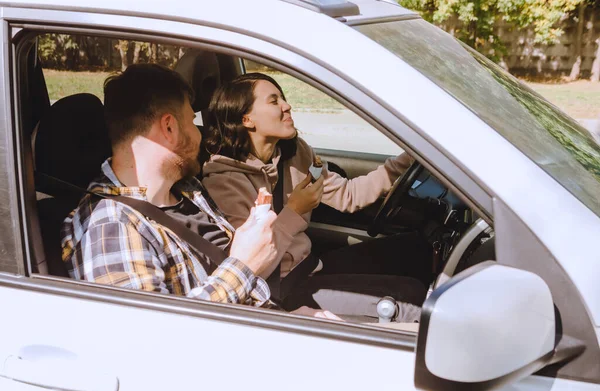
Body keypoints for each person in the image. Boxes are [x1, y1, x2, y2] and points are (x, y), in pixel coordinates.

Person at [60, 64, 339, 320]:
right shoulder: (112, 227)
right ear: (169, 127)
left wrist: (289, 319)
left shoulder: (188, 189)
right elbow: (151, 336)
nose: (199, 135)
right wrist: (244, 266)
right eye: (193, 122)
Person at [201, 73, 428, 320]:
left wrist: (411, 158)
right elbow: (253, 266)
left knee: (418, 250)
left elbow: (348, 196)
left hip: (309, 265)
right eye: (274, 100)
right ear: (247, 119)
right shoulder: (223, 180)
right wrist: (294, 211)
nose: (287, 105)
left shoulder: (295, 153)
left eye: (283, 98)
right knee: (411, 298)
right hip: (280, 289)